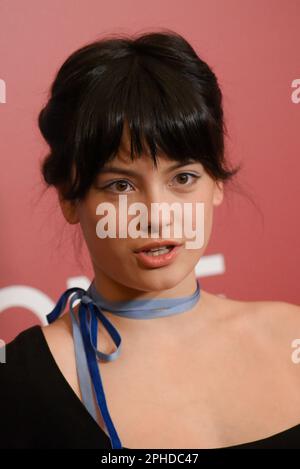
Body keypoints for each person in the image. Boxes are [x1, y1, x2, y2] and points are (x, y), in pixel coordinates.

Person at [1, 29, 300, 450]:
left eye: (183, 177)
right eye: (121, 186)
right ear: (71, 198)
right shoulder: (19, 383)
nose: (156, 215)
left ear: (216, 182)